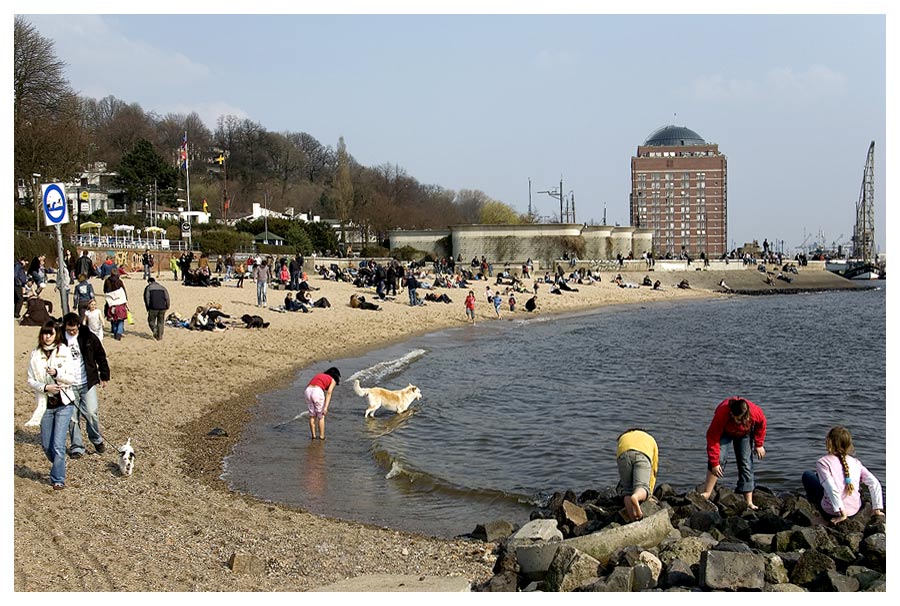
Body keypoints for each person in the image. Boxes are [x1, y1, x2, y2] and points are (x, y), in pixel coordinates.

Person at [27, 322, 78, 488]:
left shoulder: (64, 351)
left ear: (56, 335)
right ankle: (59, 462)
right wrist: (44, 387)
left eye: (51, 333)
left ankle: (58, 479)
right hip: (45, 404)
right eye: (45, 333)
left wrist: (57, 374)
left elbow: (72, 378)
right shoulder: (35, 354)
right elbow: (30, 380)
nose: (47, 336)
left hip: (64, 402)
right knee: (47, 445)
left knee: (58, 444)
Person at [801, 426, 884, 525]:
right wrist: (876, 508)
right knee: (823, 477)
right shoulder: (856, 462)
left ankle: (817, 511)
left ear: (829, 442)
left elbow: (832, 489)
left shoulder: (823, 462)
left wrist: (842, 514)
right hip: (854, 511)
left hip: (832, 512)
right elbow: (874, 483)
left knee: (808, 475)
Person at [701, 397, 767, 510]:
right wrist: (714, 463)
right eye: (738, 419)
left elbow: (762, 424)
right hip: (725, 431)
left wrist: (759, 444)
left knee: (746, 462)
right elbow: (712, 438)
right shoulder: (722, 413)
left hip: (745, 434)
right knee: (719, 459)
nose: (741, 421)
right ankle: (707, 492)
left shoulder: (755, 412)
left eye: (743, 419)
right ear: (731, 414)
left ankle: (749, 501)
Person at [62, 312, 110, 458]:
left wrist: (104, 375)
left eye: (74, 329)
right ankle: (77, 446)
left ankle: (97, 439)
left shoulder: (88, 336)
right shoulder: (58, 338)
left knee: (91, 412)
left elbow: (100, 355)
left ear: (78, 326)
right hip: (67, 385)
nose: (72, 332)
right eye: (69, 330)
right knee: (72, 417)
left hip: (86, 382)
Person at [617, 428, 659, 522]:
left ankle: (633, 521)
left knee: (627, 490)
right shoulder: (650, 439)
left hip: (623, 455)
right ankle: (636, 496)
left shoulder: (623, 437)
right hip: (643, 454)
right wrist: (649, 493)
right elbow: (654, 468)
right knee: (641, 486)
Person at [305, 367, 340, 440]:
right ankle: (322, 437)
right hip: (317, 391)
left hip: (308, 390)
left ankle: (313, 436)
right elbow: (329, 393)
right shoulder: (332, 380)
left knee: (312, 416)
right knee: (321, 416)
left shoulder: (320, 375)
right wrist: (326, 407)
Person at [103, 268, 128, 340]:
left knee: (113, 317)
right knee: (120, 319)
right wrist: (125, 300)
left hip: (110, 302)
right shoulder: (119, 281)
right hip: (120, 302)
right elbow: (123, 291)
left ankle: (114, 330)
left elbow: (104, 290)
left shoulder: (107, 281)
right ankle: (119, 333)